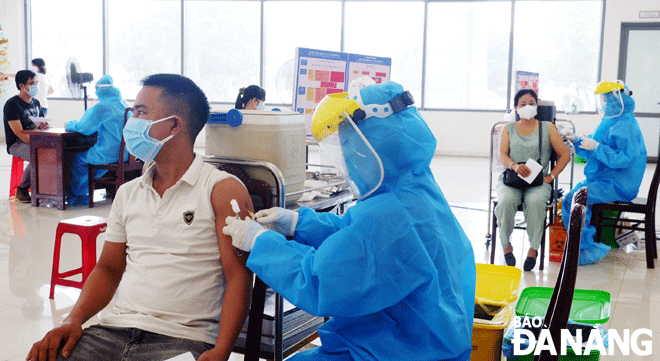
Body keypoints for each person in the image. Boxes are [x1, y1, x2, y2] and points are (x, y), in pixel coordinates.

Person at [223, 78, 477, 361]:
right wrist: (299, 223)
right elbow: (357, 236)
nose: (348, 160)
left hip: (395, 350)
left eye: (352, 149)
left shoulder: (389, 216)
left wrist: (261, 242)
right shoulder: (415, 188)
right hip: (426, 341)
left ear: (375, 146)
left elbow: (319, 280)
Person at [27, 74, 254, 361]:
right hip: (112, 331)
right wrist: (73, 319)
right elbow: (109, 268)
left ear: (174, 125)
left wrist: (221, 350)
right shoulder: (128, 193)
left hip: (181, 340)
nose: (131, 122)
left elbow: (239, 277)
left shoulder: (221, 190)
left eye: (141, 112)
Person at [561, 80, 646, 265]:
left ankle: (586, 249)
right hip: (606, 180)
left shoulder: (626, 124)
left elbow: (625, 159)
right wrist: (577, 140)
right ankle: (581, 245)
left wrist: (597, 147)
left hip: (619, 184)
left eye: (606, 99)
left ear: (617, 99)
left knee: (573, 200)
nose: (603, 103)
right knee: (572, 198)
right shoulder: (612, 120)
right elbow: (596, 142)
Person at [495, 88, 570, 271]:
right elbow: (502, 155)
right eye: (523, 104)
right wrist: (514, 165)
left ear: (536, 106)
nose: (527, 107)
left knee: (536, 202)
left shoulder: (547, 127)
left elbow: (565, 155)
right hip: (512, 179)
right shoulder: (508, 129)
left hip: (538, 182)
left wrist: (550, 177)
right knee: (505, 202)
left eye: (531, 103)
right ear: (515, 108)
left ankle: (533, 249)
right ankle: (506, 246)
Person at [64, 75, 129, 205]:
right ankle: (83, 190)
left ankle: (78, 194)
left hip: (108, 154)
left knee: (79, 159)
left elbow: (84, 128)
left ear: (100, 90)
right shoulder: (125, 104)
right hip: (126, 154)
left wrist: (69, 124)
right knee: (95, 162)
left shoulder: (101, 107)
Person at [3, 70, 47, 203]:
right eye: (32, 83)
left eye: (36, 83)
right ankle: (22, 189)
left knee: (53, 153)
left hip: (34, 140)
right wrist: (37, 146)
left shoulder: (36, 103)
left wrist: (43, 126)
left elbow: (40, 123)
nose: (36, 86)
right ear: (21, 85)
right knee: (39, 155)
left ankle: (49, 190)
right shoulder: (12, 104)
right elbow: (19, 132)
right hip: (17, 143)